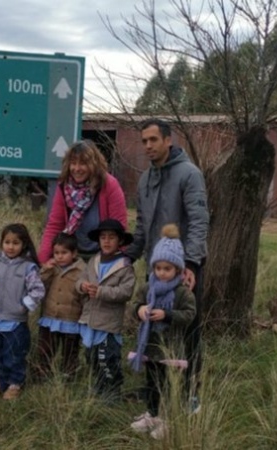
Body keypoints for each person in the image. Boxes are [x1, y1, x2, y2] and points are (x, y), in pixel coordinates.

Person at [125, 118, 209, 414]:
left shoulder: (189, 174)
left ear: (167, 140)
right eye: (144, 141)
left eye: (153, 140)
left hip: (184, 270)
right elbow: (142, 225)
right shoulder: (146, 179)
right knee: (154, 335)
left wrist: (191, 264)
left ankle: (190, 396)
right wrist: (128, 256)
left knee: (187, 332)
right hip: (154, 270)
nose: (148, 146)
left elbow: (199, 222)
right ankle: (155, 399)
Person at [128, 224, 196, 440]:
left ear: (177, 269)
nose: (162, 273)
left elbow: (189, 315)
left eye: (167, 269)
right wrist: (140, 310)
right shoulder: (149, 288)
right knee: (152, 382)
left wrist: (167, 315)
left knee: (169, 383)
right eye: (158, 268)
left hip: (171, 347)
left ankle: (167, 418)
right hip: (150, 345)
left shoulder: (182, 292)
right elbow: (135, 305)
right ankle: (153, 414)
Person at [0, 223, 45, 400]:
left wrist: (24, 304)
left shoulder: (28, 267)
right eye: (7, 242)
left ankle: (15, 383)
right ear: (2, 243)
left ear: (24, 244)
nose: (11, 246)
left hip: (16, 321)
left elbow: (38, 290)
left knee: (14, 354)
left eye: (16, 243)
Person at [38, 140, 127, 263]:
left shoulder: (109, 185)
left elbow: (119, 229)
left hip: (102, 257)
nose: (77, 168)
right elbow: (55, 225)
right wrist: (42, 262)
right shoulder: (64, 186)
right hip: (72, 255)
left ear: (94, 164)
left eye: (83, 164)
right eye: (73, 163)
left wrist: (119, 263)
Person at [76, 219, 136, 400]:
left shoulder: (125, 266)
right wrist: (83, 286)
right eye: (103, 237)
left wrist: (101, 291)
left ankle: (112, 391)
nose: (107, 241)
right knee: (92, 357)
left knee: (107, 358)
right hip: (90, 320)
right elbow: (79, 280)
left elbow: (126, 292)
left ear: (120, 241)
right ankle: (99, 386)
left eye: (111, 237)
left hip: (108, 323)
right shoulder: (93, 260)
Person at [36, 232, 86, 380]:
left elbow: (84, 296)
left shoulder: (82, 271)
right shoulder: (52, 268)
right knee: (46, 347)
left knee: (70, 349)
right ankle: (43, 372)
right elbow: (39, 284)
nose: (59, 256)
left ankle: (68, 374)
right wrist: (46, 269)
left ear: (74, 253)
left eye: (64, 253)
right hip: (50, 316)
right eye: (56, 253)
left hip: (71, 318)